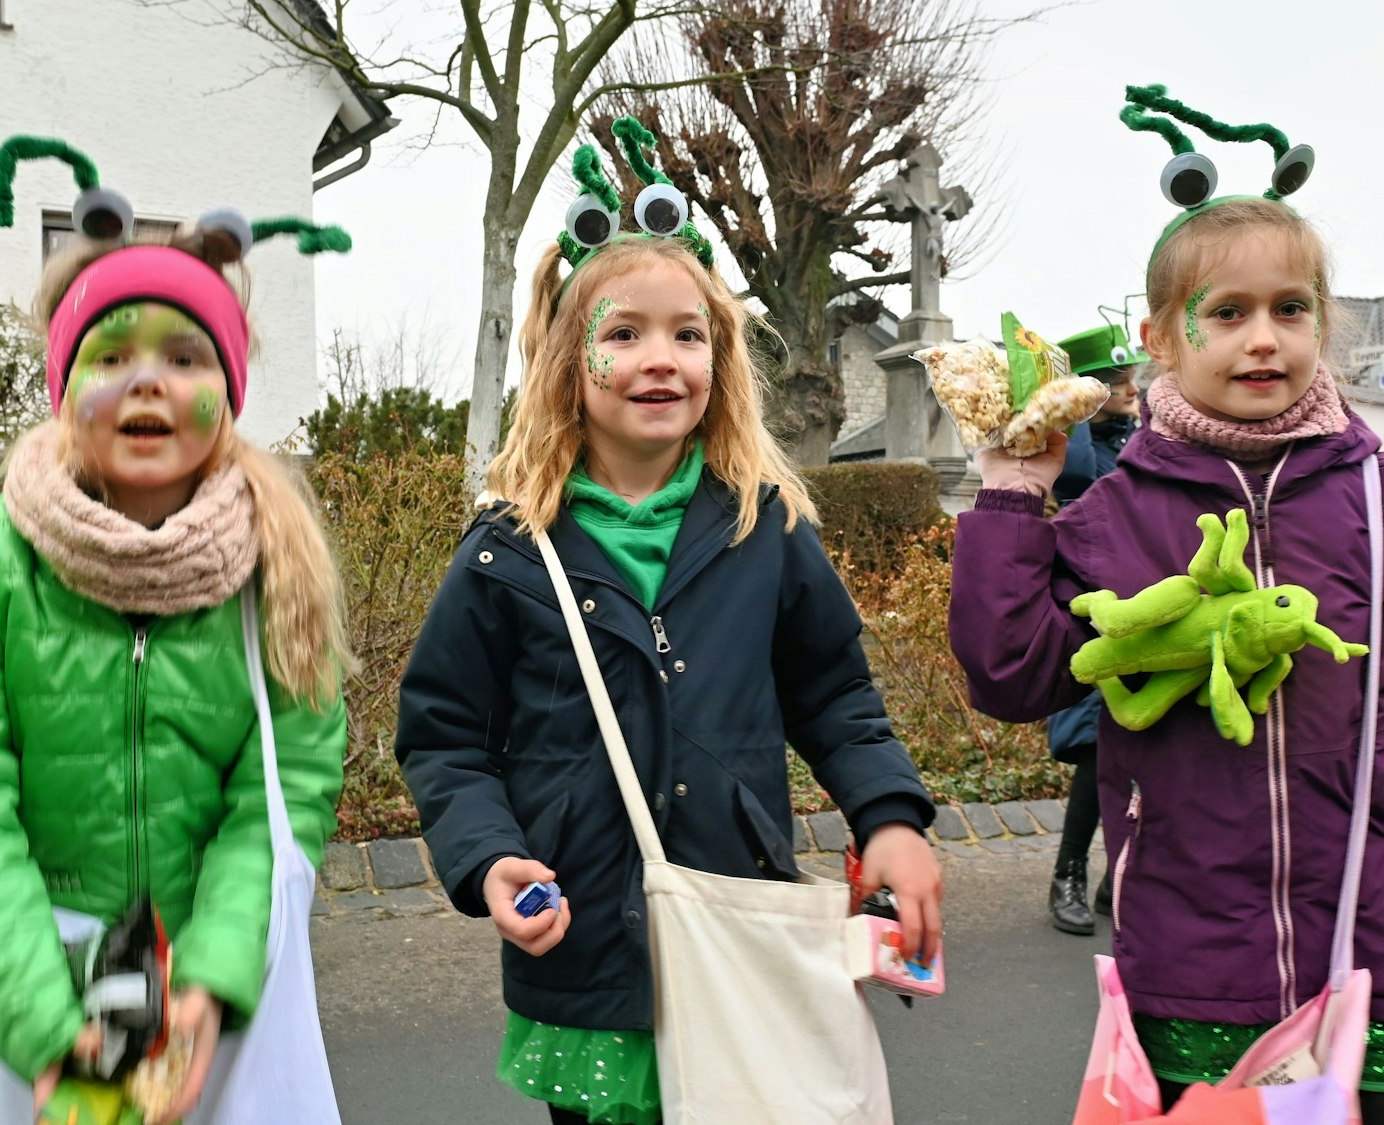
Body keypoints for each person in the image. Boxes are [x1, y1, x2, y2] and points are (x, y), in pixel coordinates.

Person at [394, 119, 941, 1125]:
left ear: (718, 359)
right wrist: (484, 857)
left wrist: (889, 817)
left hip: (735, 926)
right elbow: (444, 738)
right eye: (621, 334)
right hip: (583, 953)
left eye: (687, 334)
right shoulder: (504, 554)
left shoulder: (764, 529)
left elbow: (834, 696)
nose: (660, 358)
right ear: (568, 365)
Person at [0, 136, 350, 1125]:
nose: (146, 382)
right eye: (112, 355)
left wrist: (213, 977)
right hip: (30, 994)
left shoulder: (278, 560)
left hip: (217, 994)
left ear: (226, 389)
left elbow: (284, 790)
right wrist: (39, 1019)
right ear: (65, 385)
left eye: (184, 356)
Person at [951, 89, 1384, 1114]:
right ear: (1157, 334)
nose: (1262, 339)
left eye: (1290, 309)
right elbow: (1009, 672)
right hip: (1191, 954)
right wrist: (1014, 492)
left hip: (1365, 946)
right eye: (1225, 313)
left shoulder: (1369, 497)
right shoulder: (1114, 514)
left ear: (1325, 320)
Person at [1044, 326, 1142, 936]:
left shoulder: (1139, 442)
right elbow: (1074, 471)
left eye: (1131, 378)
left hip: (1145, 617)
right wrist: (1072, 406)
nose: (1132, 389)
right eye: (1115, 383)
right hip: (1094, 619)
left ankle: (1116, 878)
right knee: (1097, 751)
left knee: (1140, 749)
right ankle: (1069, 876)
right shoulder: (1079, 451)